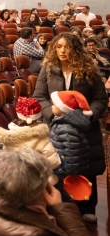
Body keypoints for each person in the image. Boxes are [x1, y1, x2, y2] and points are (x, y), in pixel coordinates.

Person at [33, 33, 107, 222]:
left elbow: (100, 99)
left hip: (84, 127)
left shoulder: (89, 68)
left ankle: (87, 207)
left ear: (75, 49)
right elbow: (39, 97)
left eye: (67, 47)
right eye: (59, 47)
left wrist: (89, 115)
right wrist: (51, 112)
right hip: (56, 127)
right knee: (59, 168)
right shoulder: (48, 69)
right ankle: (63, 209)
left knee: (86, 166)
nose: (63, 51)